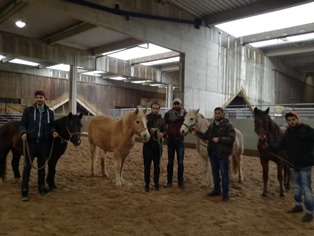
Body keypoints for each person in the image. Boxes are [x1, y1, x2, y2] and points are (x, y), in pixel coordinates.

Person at [268, 111, 314, 222]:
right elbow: (281, 145)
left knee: (306, 188)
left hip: (305, 165)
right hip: (293, 164)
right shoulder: (288, 133)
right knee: (297, 187)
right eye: (289, 120)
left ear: (297, 119)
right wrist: (269, 146)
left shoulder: (307, 129)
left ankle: (309, 212)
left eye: (293, 119)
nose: (291, 122)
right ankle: (298, 205)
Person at [19, 90, 59, 201]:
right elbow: (22, 124)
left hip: (43, 144)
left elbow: (51, 126)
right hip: (30, 144)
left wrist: (53, 131)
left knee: (42, 167)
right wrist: (23, 133)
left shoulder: (50, 113)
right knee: (27, 167)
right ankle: (24, 190)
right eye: (37, 97)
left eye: (40, 97)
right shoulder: (28, 111)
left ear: (45, 98)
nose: (38, 99)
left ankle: (42, 187)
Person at [191, 107, 235, 201]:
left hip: (222, 154)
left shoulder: (228, 126)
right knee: (215, 173)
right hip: (213, 153)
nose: (217, 115)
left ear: (222, 114)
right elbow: (206, 136)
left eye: (219, 113)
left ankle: (226, 194)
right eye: (216, 113)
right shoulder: (212, 126)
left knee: (224, 174)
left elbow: (231, 138)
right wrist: (197, 132)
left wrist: (220, 139)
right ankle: (216, 190)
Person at [142, 101, 167, 192]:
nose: (155, 110)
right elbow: (142, 128)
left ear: (159, 109)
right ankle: (147, 184)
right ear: (151, 109)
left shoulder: (162, 120)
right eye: (154, 108)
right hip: (147, 146)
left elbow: (165, 131)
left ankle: (156, 184)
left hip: (157, 147)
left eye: (157, 109)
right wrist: (149, 130)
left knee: (157, 166)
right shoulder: (146, 118)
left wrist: (162, 134)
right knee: (147, 166)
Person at [164, 98, 187, 189]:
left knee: (180, 162)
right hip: (171, 140)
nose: (176, 105)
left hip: (180, 140)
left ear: (180, 105)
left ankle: (180, 181)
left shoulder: (185, 114)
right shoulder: (168, 114)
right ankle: (169, 181)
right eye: (175, 104)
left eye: (178, 104)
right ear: (173, 105)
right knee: (170, 162)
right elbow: (165, 125)